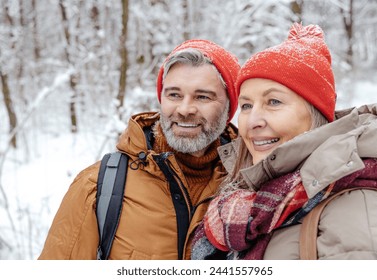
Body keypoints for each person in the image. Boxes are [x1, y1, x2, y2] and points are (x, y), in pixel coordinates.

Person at [191, 23, 377, 260]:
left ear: (316, 113)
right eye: (246, 105)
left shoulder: (356, 209)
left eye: (273, 102)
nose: (253, 120)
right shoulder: (255, 200)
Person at [38, 39, 240, 260]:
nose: (184, 109)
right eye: (174, 95)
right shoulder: (98, 187)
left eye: (202, 96)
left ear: (229, 105)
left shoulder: (248, 182)